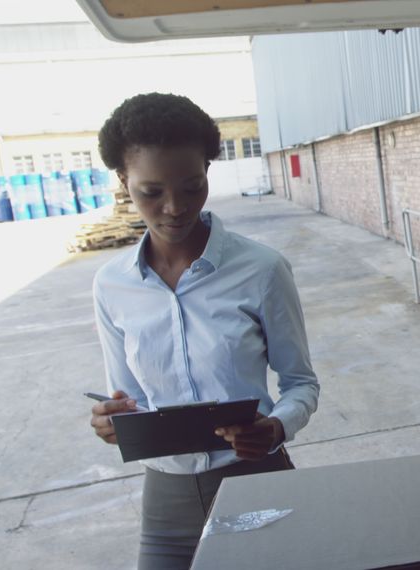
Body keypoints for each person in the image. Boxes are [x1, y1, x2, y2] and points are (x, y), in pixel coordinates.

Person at [87, 92, 320, 569]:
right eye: (151, 192)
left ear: (208, 173)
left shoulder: (261, 269)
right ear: (122, 181)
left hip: (257, 479)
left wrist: (275, 426)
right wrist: (113, 421)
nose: (174, 208)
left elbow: (301, 384)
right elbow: (128, 398)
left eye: (192, 187)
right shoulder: (112, 285)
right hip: (166, 497)